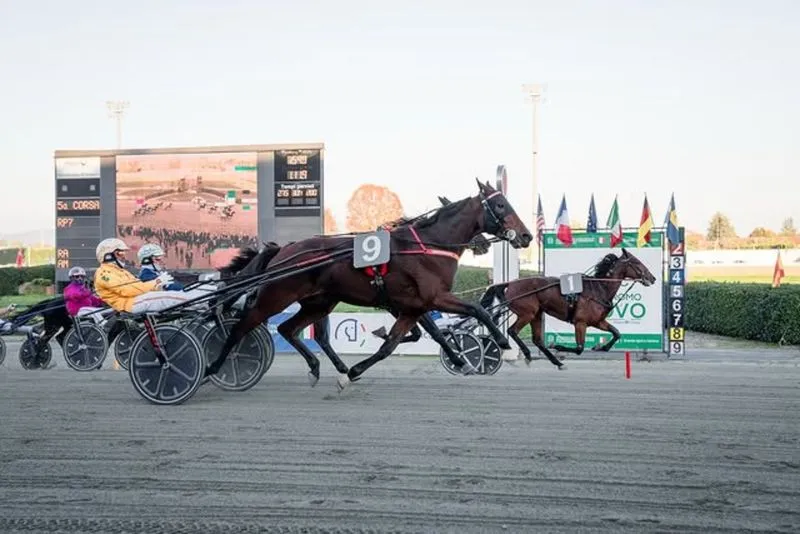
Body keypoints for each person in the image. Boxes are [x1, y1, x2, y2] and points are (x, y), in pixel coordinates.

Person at [93, 238, 213, 314]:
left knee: (169, 296)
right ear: (108, 255)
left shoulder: (120, 271)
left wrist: (158, 286)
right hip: (128, 304)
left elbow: (138, 285)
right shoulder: (103, 274)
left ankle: (208, 296)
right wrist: (156, 283)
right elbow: (127, 290)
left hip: (134, 300)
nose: (124, 256)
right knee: (168, 298)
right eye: (120, 253)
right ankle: (208, 302)